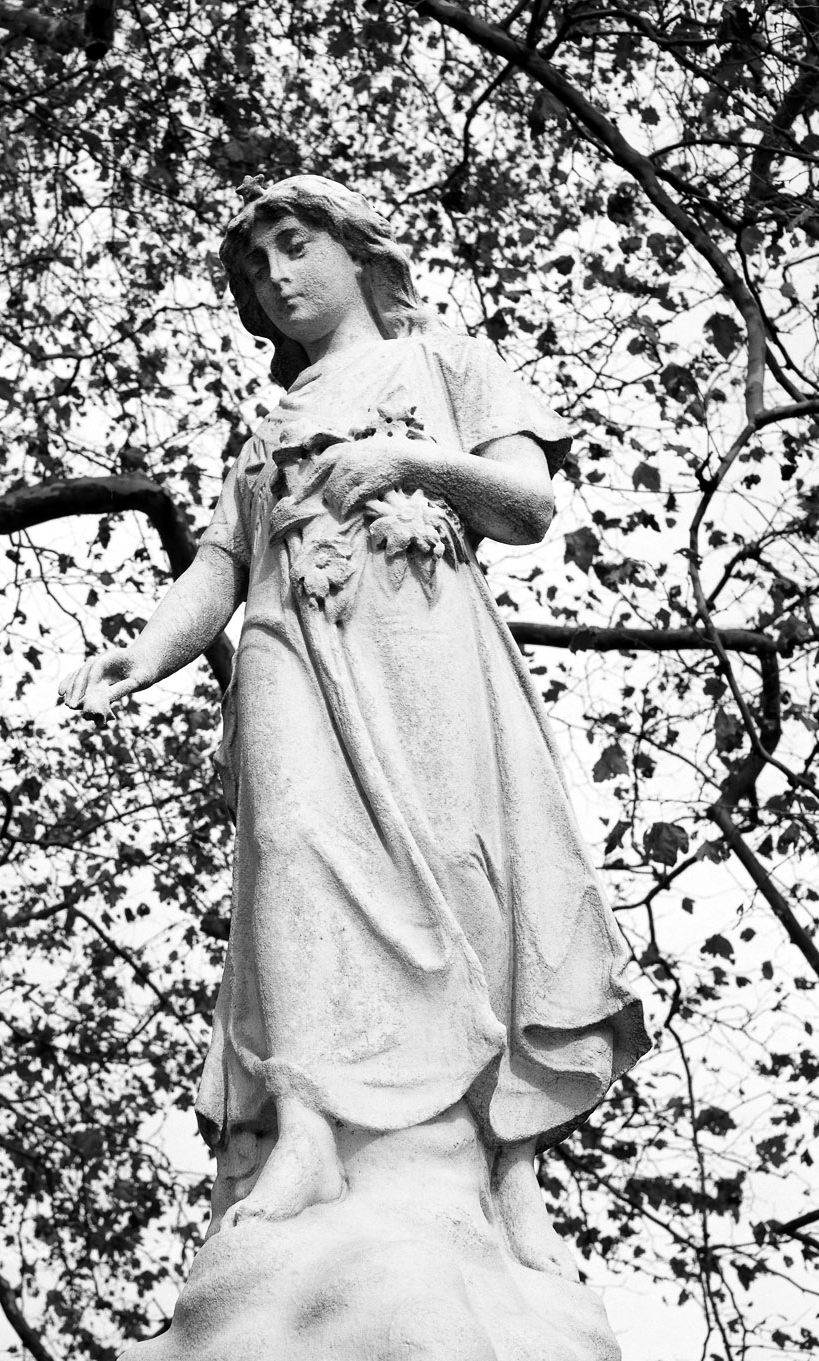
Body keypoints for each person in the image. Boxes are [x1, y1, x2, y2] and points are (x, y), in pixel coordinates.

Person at [59, 175, 649, 1274]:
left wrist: (409, 460)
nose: (278, 279)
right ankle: (312, 1124)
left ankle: (500, 1153)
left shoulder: (446, 364)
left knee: (472, 869)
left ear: (353, 246)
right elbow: (224, 564)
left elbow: (525, 505)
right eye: (255, 271)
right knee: (289, 852)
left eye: (293, 247)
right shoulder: (269, 427)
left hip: (422, 641)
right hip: (291, 648)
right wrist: (146, 648)